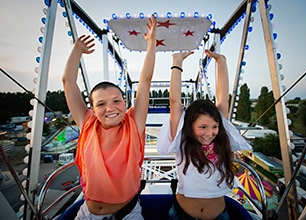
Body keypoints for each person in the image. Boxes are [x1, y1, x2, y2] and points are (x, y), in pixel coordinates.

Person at [62, 15, 157, 220]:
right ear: (93, 110)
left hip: (128, 213)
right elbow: (68, 82)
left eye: (116, 101)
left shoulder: (133, 124)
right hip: (89, 214)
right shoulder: (87, 124)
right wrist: (77, 51)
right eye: (101, 104)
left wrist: (151, 44)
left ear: (125, 103)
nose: (110, 108)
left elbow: (145, 81)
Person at [157, 50, 252, 220]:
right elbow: (174, 101)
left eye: (214, 126)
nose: (209, 133)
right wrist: (177, 63)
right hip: (182, 215)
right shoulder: (183, 142)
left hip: (218, 216)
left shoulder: (221, 141)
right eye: (202, 127)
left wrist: (221, 62)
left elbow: (223, 100)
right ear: (189, 126)